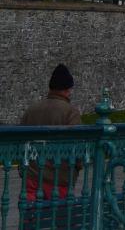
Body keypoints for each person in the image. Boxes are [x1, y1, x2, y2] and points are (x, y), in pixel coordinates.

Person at [19, 65, 81, 200]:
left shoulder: (31, 110)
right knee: (59, 213)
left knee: (31, 212)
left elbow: (20, 142)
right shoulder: (70, 112)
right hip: (60, 179)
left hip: (32, 175)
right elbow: (77, 147)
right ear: (67, 89)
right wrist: (77, 168)